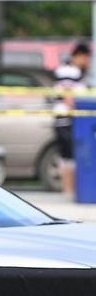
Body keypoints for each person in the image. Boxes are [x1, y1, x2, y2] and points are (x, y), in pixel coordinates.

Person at [52, 42, 91, 195]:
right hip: (67, 118)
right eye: (87, 58)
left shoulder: (71, 70)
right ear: (80, 55)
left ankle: (70, 190)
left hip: (68, 118)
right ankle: (69, 190)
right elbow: (68, 96)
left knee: (68, 155)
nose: (88, 62)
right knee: (69, 155)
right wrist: (77, 112)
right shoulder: (69, 70)